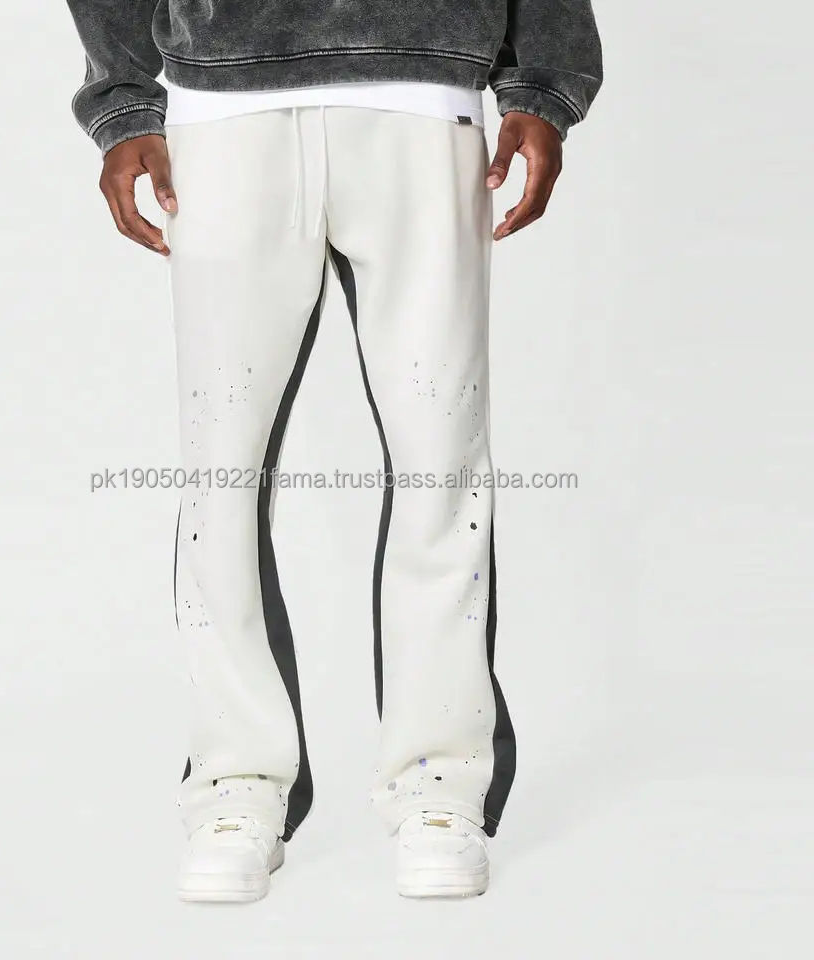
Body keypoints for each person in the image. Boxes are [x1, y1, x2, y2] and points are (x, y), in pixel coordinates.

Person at [66, 0, 601, 902]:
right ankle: (236, 783)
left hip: (422, 94)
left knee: (441, 458)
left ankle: (440, 784)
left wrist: (543, 88)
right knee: (222, 467)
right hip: (224, 108)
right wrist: (121, 101)